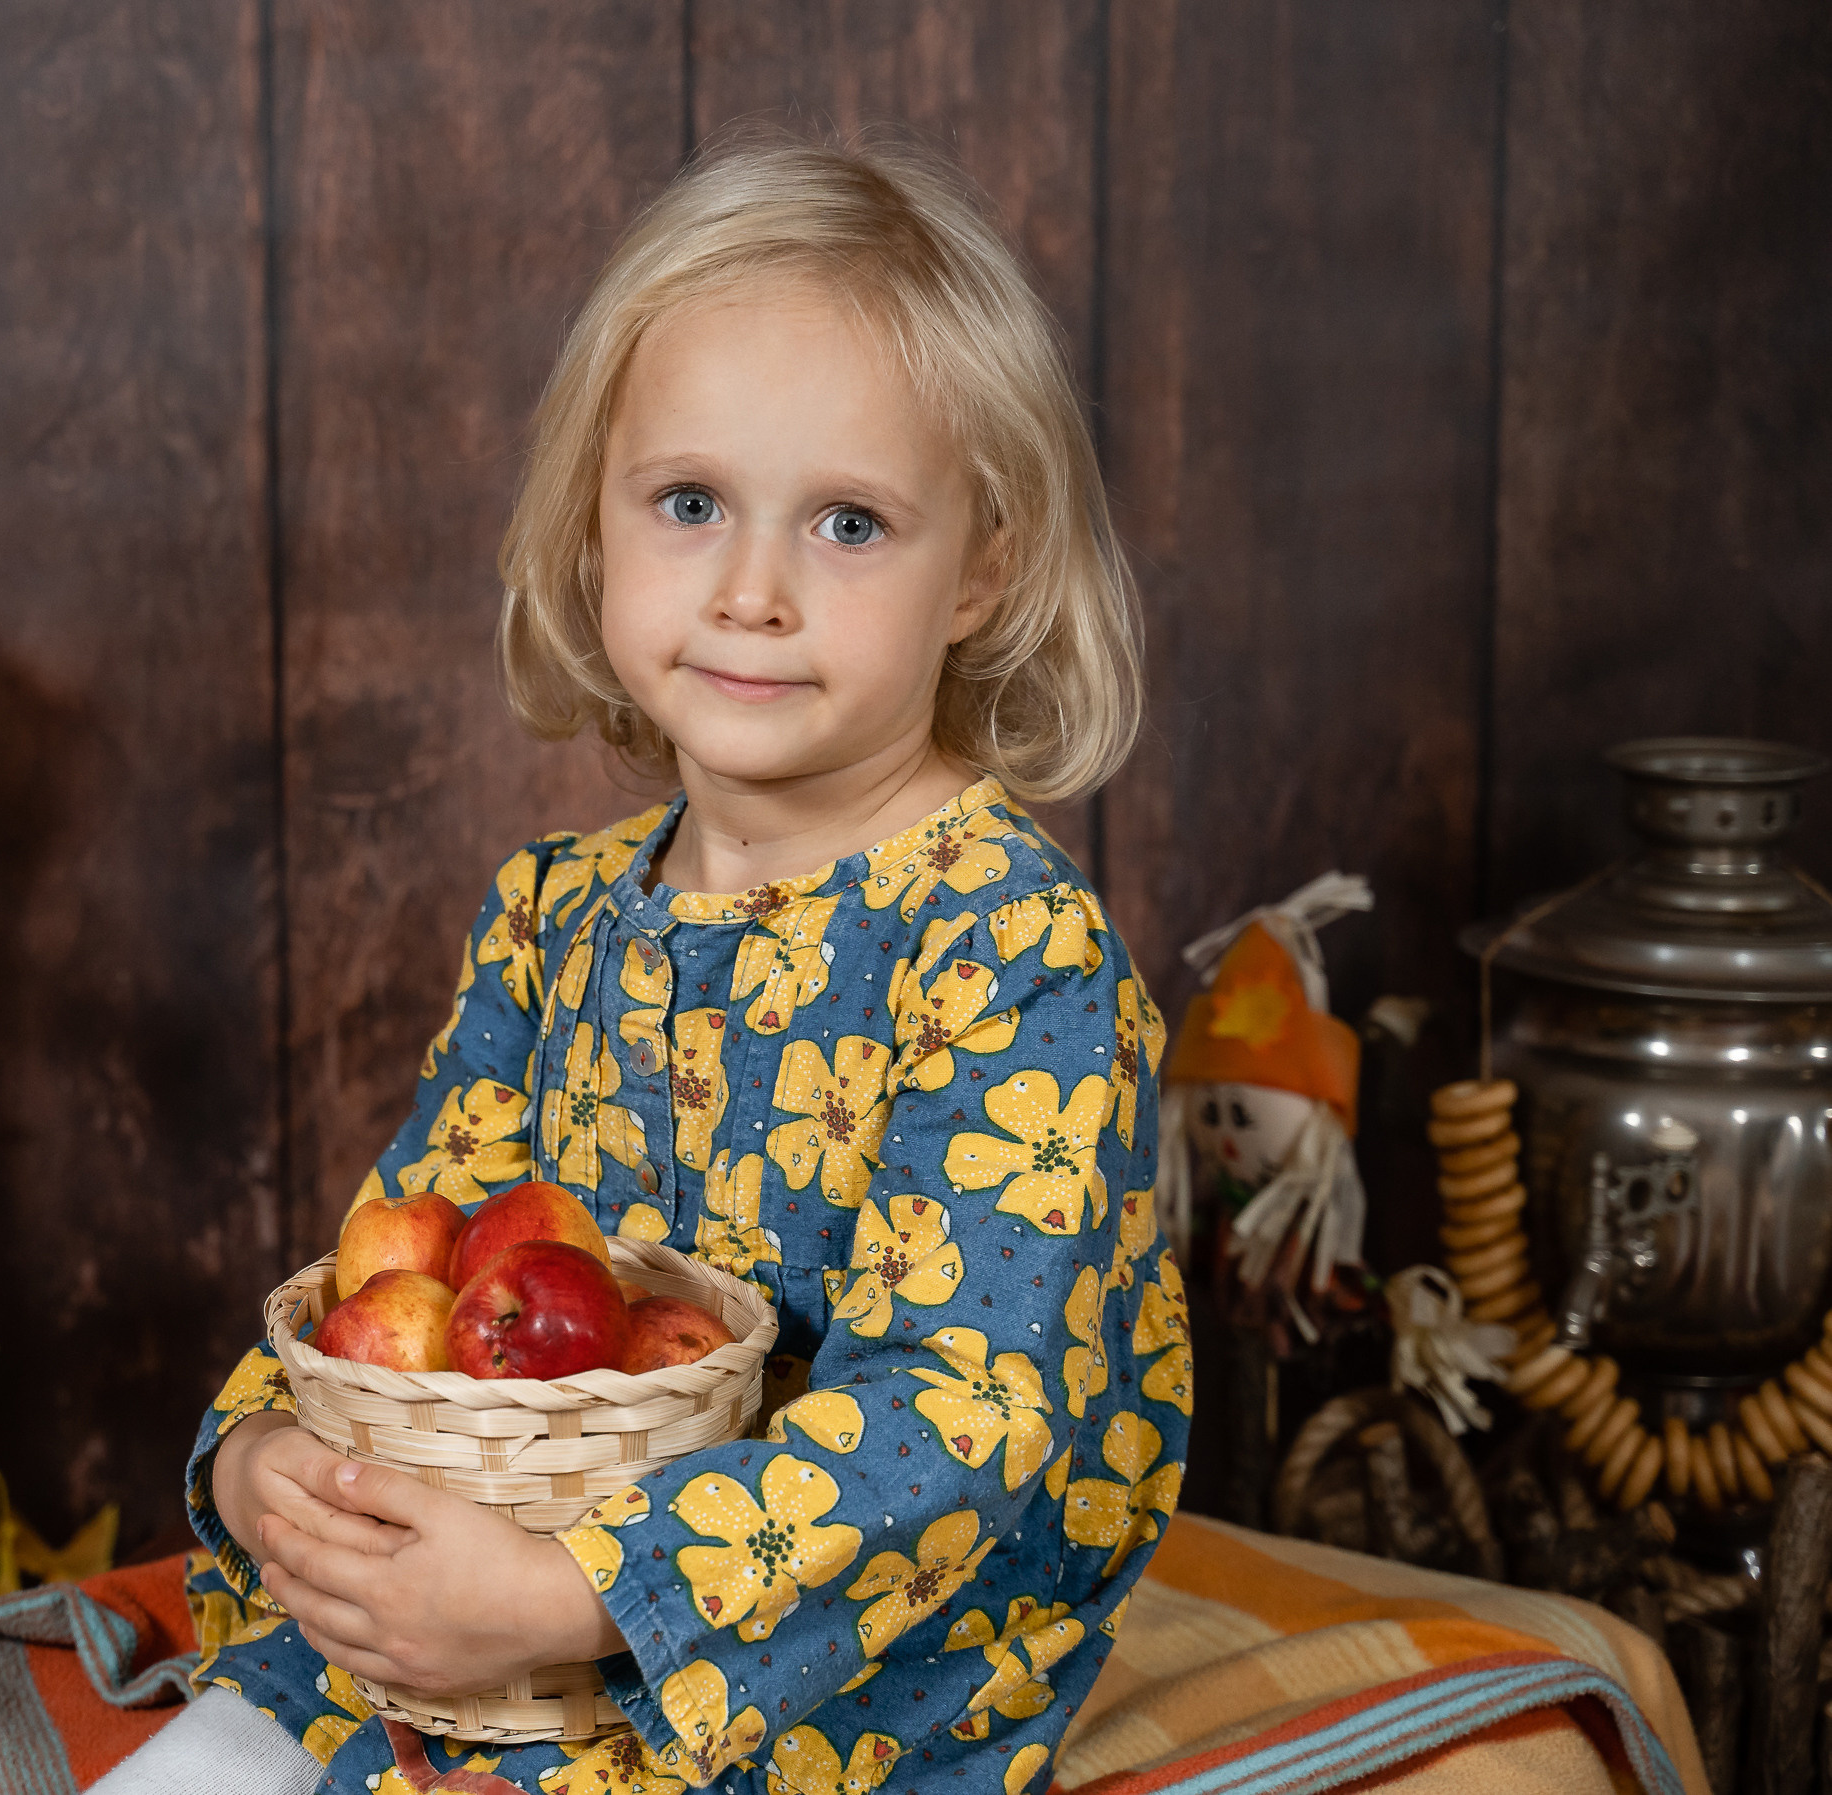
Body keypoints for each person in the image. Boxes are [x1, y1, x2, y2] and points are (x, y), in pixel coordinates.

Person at [109, 131, 1184, 1795]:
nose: (749, 592)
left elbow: (965, 1415)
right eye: (689, 504)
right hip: (537, 1567)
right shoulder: (557, 916)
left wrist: (569, 1591)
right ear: (594, 523)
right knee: (274, 1720)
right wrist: (263, 1458)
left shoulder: (1001, 943)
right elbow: (413, 1253)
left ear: (981, 563)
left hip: (867, 1638)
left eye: (847, 522)